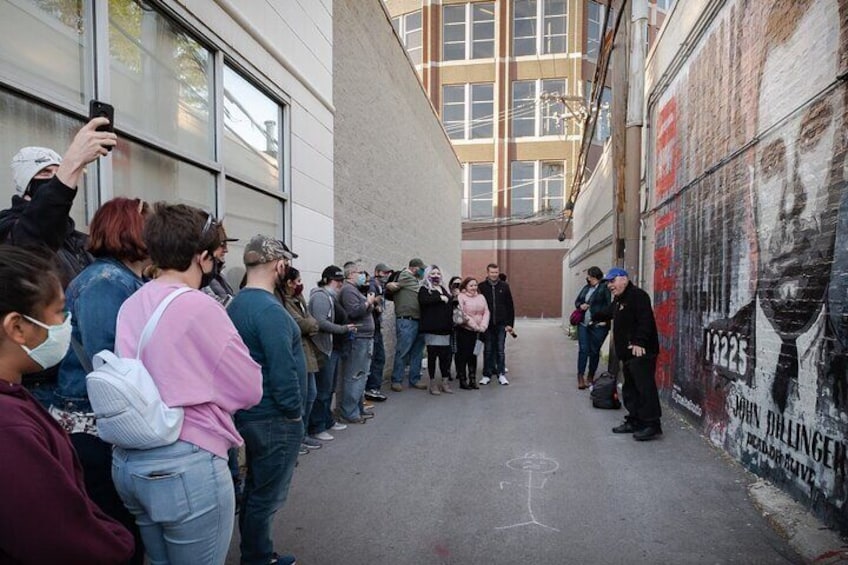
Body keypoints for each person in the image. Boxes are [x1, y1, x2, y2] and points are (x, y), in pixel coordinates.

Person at [111, 204, 263, 564]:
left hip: (130, 460)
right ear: (202, 256)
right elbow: (249, 388)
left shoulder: (131, 303)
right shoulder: (201, 306)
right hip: (186, 459)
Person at [0, 245, 135, 564]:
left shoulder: (14, 399)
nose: (67, 323)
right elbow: (60, 538)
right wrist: (122, 542)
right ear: (17, 327)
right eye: (60, 311)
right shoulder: (9, 426)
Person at [53, 197, 150, 564]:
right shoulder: (106, 282)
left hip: (101, 420)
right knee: (117, 527)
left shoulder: (120, 278)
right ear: (130, 230)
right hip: (94, 423)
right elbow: (108, 361)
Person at [228, 235, 304, 565]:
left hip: (251, 412)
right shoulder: (269, 310)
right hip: (274, 416)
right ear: (279, 265)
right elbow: (281, 369)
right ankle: (257, 557)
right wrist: (294, 413)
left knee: (257, 490)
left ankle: (256, 552)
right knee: (265, 496)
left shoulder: (237, 303)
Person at [1, 117, 117, 286]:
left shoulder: (82, 242)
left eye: (58, 172)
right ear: (25, 182)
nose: (53, 178)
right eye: (45, 172)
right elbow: (36, 233)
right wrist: (73, 162)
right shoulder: (9, 231)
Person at [596, 268, 662, 441]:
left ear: (624, 279)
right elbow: (608, 312)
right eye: (608, 282)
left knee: (644, 388)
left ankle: (652, 425)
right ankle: (635, 420)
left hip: (641, 352)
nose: (610, 285)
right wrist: (592, 316)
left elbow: (645, 320)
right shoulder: (619, 299)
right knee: (630, 389)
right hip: (627, 354)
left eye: (612, 281)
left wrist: (639, 342)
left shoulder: (638, 296)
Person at [307, 265, 356, 442]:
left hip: (330, 348)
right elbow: (320, 322)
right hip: (323, 349)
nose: (340, 284)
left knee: (329, 389)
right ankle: (318, 426)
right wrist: (342, 329)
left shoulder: (328, 296)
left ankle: (327, 421)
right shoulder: (320, 297)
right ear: (327, 280)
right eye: (337, 281)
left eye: (342, 281)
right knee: (323, 390)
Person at [278, 266, 323, 452]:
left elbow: (310, 320)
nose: (300, 284)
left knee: (310, 395)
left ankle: (303, 435)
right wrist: (310, 324)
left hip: (308, 353)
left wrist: (310, 324)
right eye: (297, 281)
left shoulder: (299, 298)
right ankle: (296, 439)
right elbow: (301, 324)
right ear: (288, 283)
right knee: (302, 398)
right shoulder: (283, 301)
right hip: (299, 353)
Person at [338, 262, 379, 423]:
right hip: (358, 339)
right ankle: (349, 412)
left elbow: (365, 310)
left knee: (362, 375)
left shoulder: (355, 290)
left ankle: (358, 408)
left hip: (365, 338)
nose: (363, 275)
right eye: (360, 272)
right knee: (354, 376)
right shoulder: (348, 290)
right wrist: (368, 302)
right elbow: (354, 312)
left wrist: (368, 304)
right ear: (351, 274)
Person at [387, 257, 427, 392]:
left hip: (418, 319)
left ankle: (414, 379)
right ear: (415, 268)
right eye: (421, 269)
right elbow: (392, 285)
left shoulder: (414, 280)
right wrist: (388, 284)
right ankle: (397, 380)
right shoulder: (405, 275)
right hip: (406, 320)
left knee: (417, 352)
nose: (422, 272)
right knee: (403, 351)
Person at [573, 266, 612, 390]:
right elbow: (577, 301)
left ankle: (590, 375)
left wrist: (604, 321)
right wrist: (581, 306)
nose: (588, 278)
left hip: (598, 325)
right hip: (583, 324)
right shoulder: (586, 288)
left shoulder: (605, 287)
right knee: (583, 349)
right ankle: (580, 376)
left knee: (594, 351)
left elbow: (609, 305)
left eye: (589, 275)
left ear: (594, 276)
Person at [418, 265, 454, 395]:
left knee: (445, 357)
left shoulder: (444, 288)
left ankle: (445, 382)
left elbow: (450, 303)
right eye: (433, 273)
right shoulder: (424, 289)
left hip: (445, 328)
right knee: (432, 356)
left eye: (438, 273)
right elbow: (423, 301)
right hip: (432, 328)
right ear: (428, 275)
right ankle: (432, 383)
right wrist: (439, 298)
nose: (436, 275)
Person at [479, 263, 515, 386]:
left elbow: (510, 306)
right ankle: (486, 374)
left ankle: (501, 374)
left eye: (496, 272)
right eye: (492, 272)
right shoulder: (481, 287)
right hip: (487, 324)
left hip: (501, 324)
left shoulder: (504, 286)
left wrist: (510, 324)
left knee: (500, 350)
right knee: (488, 350)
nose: (494, 275)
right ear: (487, 272)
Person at [455, 277, 490, 390]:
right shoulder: (461, 297)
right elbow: (462, 314)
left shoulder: (481, 297)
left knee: (473, 355)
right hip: (465, 330)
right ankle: (463, 380)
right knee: (463, 356)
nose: (474, 287)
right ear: (465, 286)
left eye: (475, 285)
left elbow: (486, 312)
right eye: (471, 285)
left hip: (479, 331)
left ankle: (472, 379)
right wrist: (475, 326)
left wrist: (483, 326)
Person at [365, 262, 392, 402]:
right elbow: (369, 300)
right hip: (372, 327)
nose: (386, 276)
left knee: (378, 357)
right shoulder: (372, 285)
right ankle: (371, 388)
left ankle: (372, 387)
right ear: (377, 272)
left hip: (376, 326)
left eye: (388, 273)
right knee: (377, 357)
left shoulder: (380, 286)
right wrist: (376, 303)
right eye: (384, 273)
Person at [202, 222, 239, 307]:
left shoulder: (218, 274)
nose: (226, 250)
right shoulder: (203, 277)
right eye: (222, 245)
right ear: (209, 246)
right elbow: (216, 306)